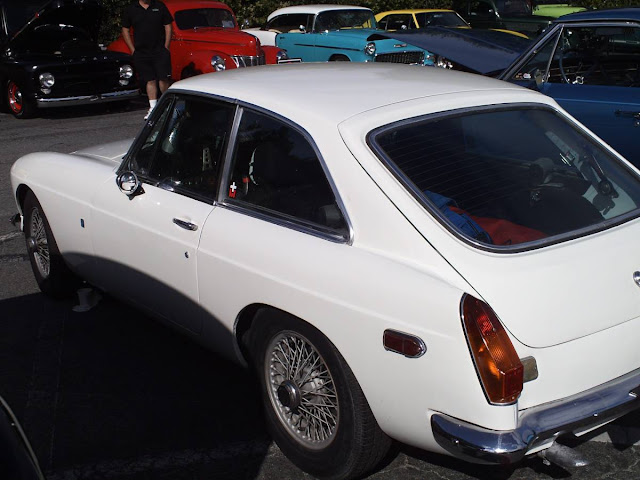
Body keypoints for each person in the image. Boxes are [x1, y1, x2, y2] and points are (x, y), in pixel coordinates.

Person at [121, 0, 173, 119]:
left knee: (163, 79)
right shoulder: (131, 9)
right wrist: (132, 50)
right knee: (150, 80)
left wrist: (166, 46)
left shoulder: (159, 6)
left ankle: (168, 106)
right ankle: (153, 108)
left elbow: (168, 25)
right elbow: (125, 29)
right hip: (141, 52)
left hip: (159, 50)